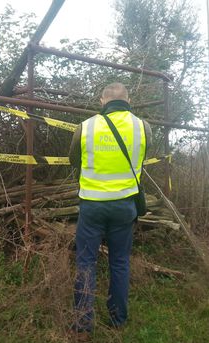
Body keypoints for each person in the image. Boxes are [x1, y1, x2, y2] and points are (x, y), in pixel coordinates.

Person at [68, 82, 151, 338]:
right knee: (119, 261)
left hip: (92, 205)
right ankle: (118, 319)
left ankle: (82, 325)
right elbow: (144, 156)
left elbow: (74, 161)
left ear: (102, 101)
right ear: (128, 101)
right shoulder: (143, 127)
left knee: (86, 261)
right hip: (125, 205)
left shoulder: (85, 127)